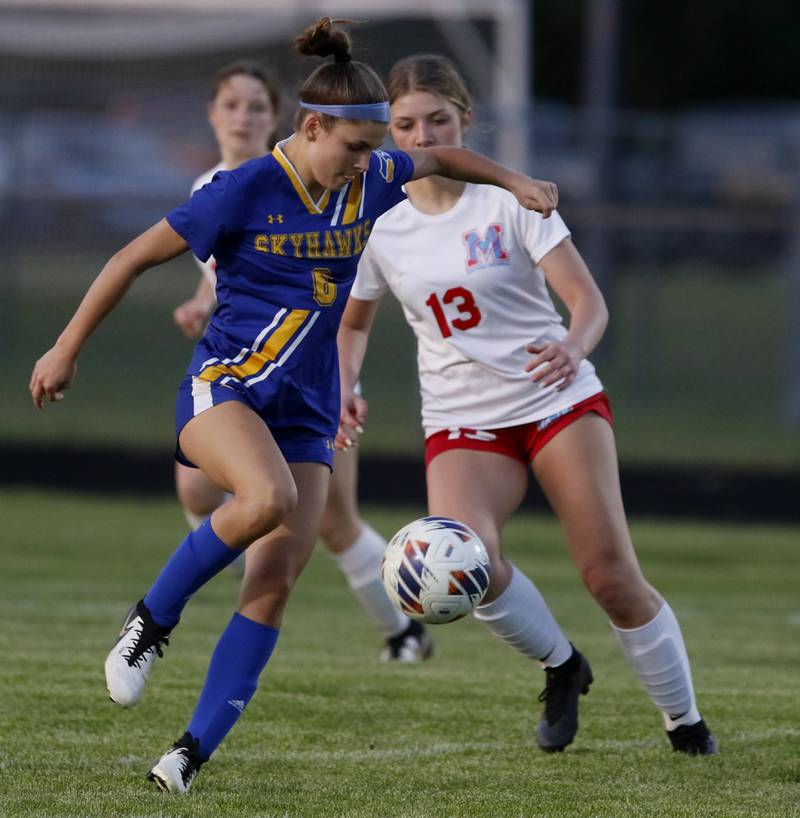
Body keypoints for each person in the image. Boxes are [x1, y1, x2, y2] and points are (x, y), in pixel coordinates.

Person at [28, 21, 558, 794]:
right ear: (311, 127)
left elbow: (442, 157)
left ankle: (187, 756)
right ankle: (150, 621)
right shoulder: (246, 189)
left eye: (374, 150)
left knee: (275, 581)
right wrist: (65, 347)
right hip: (229, 386)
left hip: (309, 410)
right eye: (352, 147)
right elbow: (130, 258)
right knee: (265, 499)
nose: (367, 164)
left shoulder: (370, 175)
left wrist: (517, 184)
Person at [338, 54, 717, 757]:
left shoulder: (507, 197)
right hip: (461, 418)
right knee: (465, 562)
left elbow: (587, 302)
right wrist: (346, 386)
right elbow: (353, 325)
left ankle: (685, 723)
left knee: (607, 573)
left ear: (467, 120)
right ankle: (562, 666)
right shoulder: (378, 221)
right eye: (406, 125)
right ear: (388, 132)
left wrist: (574, 346)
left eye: (438, 121)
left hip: (554, 400)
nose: (423, 138)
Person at [172, 60, 431, 663]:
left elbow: (336, 292)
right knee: (195, 484)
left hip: (317, 375)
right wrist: (198, 303)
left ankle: (405, 630)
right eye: (231, 105)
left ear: (285, 120)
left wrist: (346, 382)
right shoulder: (212, 188)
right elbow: (237, 276)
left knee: (335, 524)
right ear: (212, 114)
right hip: (249, 368)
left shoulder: (334, 182)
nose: (243, 117)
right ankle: (221, 585)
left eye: (256, 107)